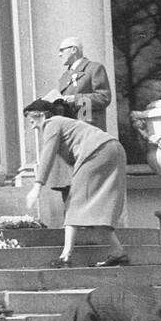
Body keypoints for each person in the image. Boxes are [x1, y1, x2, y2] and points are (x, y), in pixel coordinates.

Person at [23, 99, 128, 267]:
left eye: (32, 121)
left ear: (41, 115)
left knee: (74, 201)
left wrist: (37, 186)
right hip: (113, 149)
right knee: (95, 207)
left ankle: (65, 256)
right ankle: (118, 252)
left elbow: (47, 154)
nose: (33, 126)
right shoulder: (66, 124)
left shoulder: (52, 123)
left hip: (97, 152)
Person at [46, 36, 112, 129]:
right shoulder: (65, 76)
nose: (59, 54)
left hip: (89, 129)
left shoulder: (94, 68)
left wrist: (76, 99)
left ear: (73, 50)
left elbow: (104, 97)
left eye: (62, 50)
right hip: (70, 130)